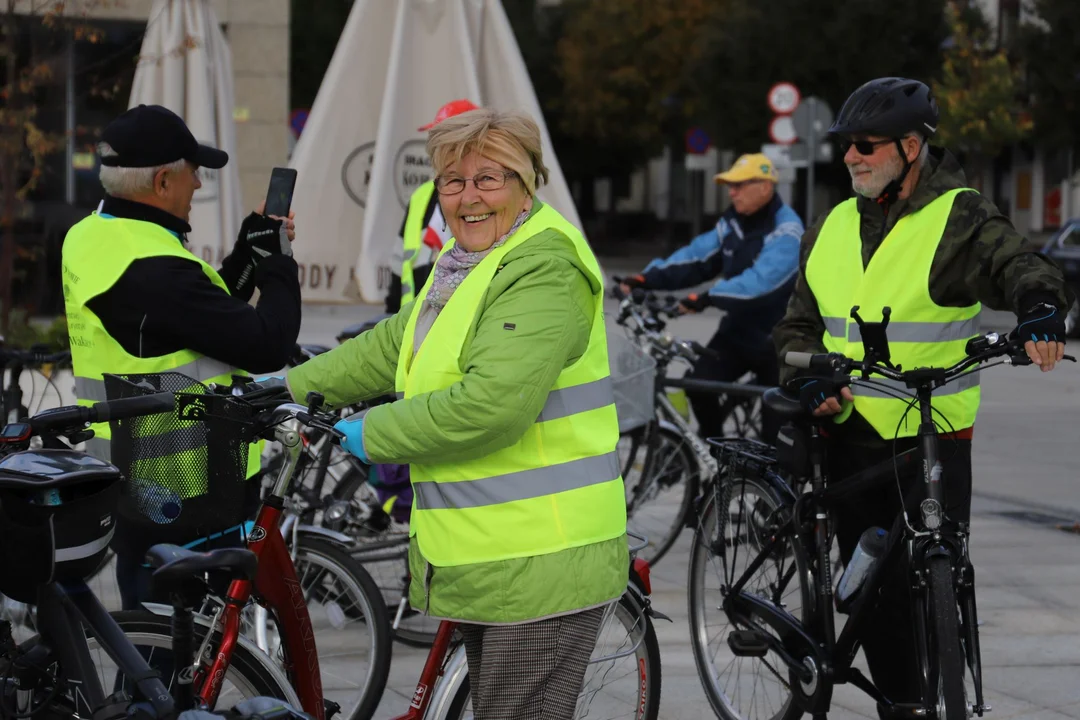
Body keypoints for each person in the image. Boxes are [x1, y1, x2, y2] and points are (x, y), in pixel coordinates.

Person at [282, 108, 627, 720]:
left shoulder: (544, 268)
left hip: (542, 561)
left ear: (528, 184)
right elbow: (397, 342)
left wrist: (370, 433)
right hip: (489, 559)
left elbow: (492, 406)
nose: (468, 197)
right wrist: (289, 385)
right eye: (452, 181)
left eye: (489, 179)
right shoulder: (471, 257)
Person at [773, 77, 1072, 716]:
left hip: (932, 434)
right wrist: (806, 379)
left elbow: (1020, 264)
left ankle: (938, 696)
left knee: (934, 575)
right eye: (846, 146)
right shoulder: (831, 225)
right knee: (872, 597)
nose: (850, 157)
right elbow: (796, 328)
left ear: (911, 148)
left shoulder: (959, 215)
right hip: (848, 432)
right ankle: (900, 703)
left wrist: (1042, 311)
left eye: (865, 146)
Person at [62, 104, 302, 610]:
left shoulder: (94, 235)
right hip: (188, 484)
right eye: (194, 172)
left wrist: (245, 256)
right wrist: (278, 265)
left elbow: (196, 323)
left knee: (151, 627)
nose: (198, 183)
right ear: (164, 181)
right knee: (179, 652)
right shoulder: (156, 267)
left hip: (133, 472)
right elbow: (264, 345)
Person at [622, 153, 803, 443]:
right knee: (697, 384)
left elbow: (760, 282)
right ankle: (715, 455)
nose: (732, 192)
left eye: (741, 185)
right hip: (739, 333)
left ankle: (768, 481)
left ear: (766, 187)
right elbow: (697, 257)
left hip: (778, 341)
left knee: (775, 432)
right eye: (731, 186)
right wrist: (647, 278)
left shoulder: (787, 230)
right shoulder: (732, 223)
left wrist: (707, 297)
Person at [384, 98, 480, 313]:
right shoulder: (422, 195)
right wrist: (392, 316)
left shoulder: (485, 194)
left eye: (445, 138)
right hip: (415, 321)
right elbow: (401, 262)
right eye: (435, 138)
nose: (436, 147)